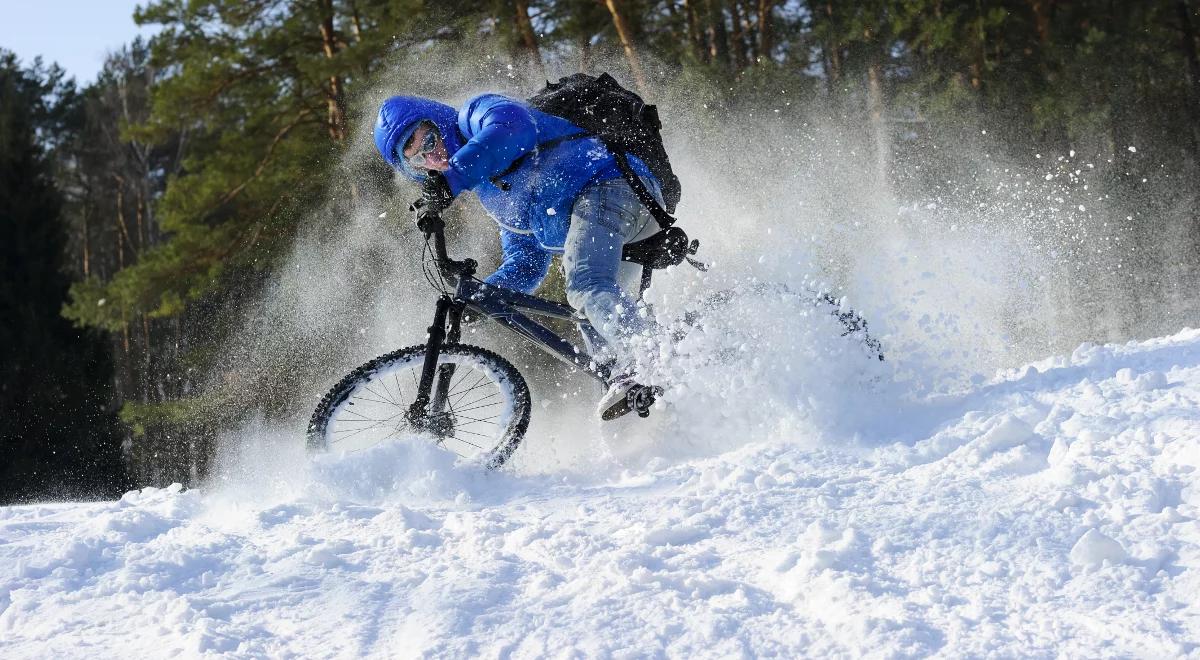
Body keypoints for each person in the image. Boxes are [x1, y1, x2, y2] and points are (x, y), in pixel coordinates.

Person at [373, 93, 667, 420]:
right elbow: (525, 261)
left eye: (429, 140)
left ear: (438, 121)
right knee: (601, 340)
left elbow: (514, 126)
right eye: (417, 159)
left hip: (611, 183)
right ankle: (647, 410)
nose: (433, 156)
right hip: (612, 223)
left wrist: (452, 179)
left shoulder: (475, 116)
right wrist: (481, 298)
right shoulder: (490, 191)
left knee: (585, 283)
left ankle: (655, 358)